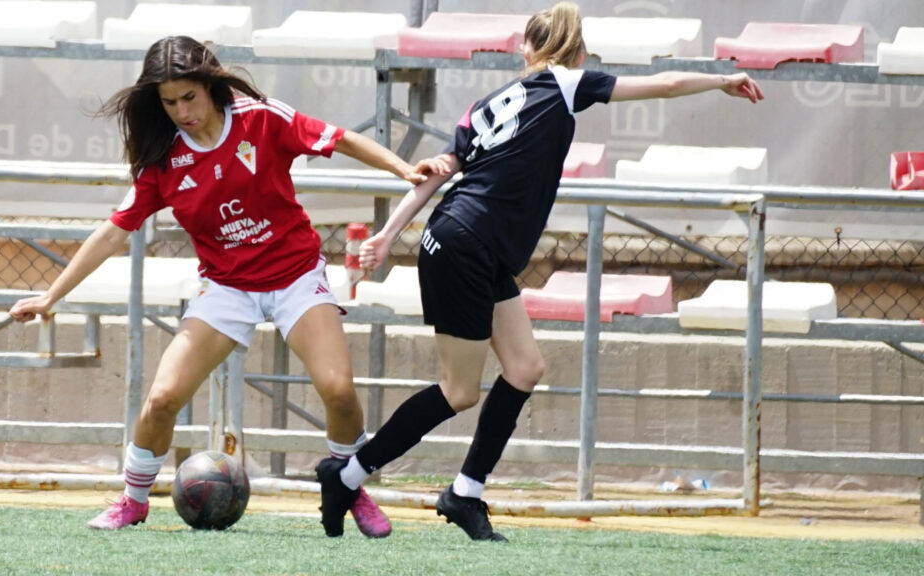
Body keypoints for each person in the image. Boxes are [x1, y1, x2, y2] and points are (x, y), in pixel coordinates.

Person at [315, 1, 765, 541]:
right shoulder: (565, 84)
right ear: (576, 53)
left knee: (524, 367)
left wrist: (390, 234)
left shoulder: (489, 103)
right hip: (465, 243)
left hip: (471, 243)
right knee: (459, 391)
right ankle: (347, 474)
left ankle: (464, 494)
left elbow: (437, 173)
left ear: (524, 48)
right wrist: (722, 80)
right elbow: (665, 84)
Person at [9, 36, 429, 537]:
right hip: (226, 287)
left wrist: (405, 169)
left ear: (209, 86)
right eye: (168, 102)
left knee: (339, 391)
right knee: (162, 399)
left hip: (295, 275)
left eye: (189, 97)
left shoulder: (262, 118)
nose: (181, 111)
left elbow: (341, 139)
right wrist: (52, 295)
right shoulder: (161, 158)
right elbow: (114, 231)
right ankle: (133, 500)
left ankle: (349, 486)